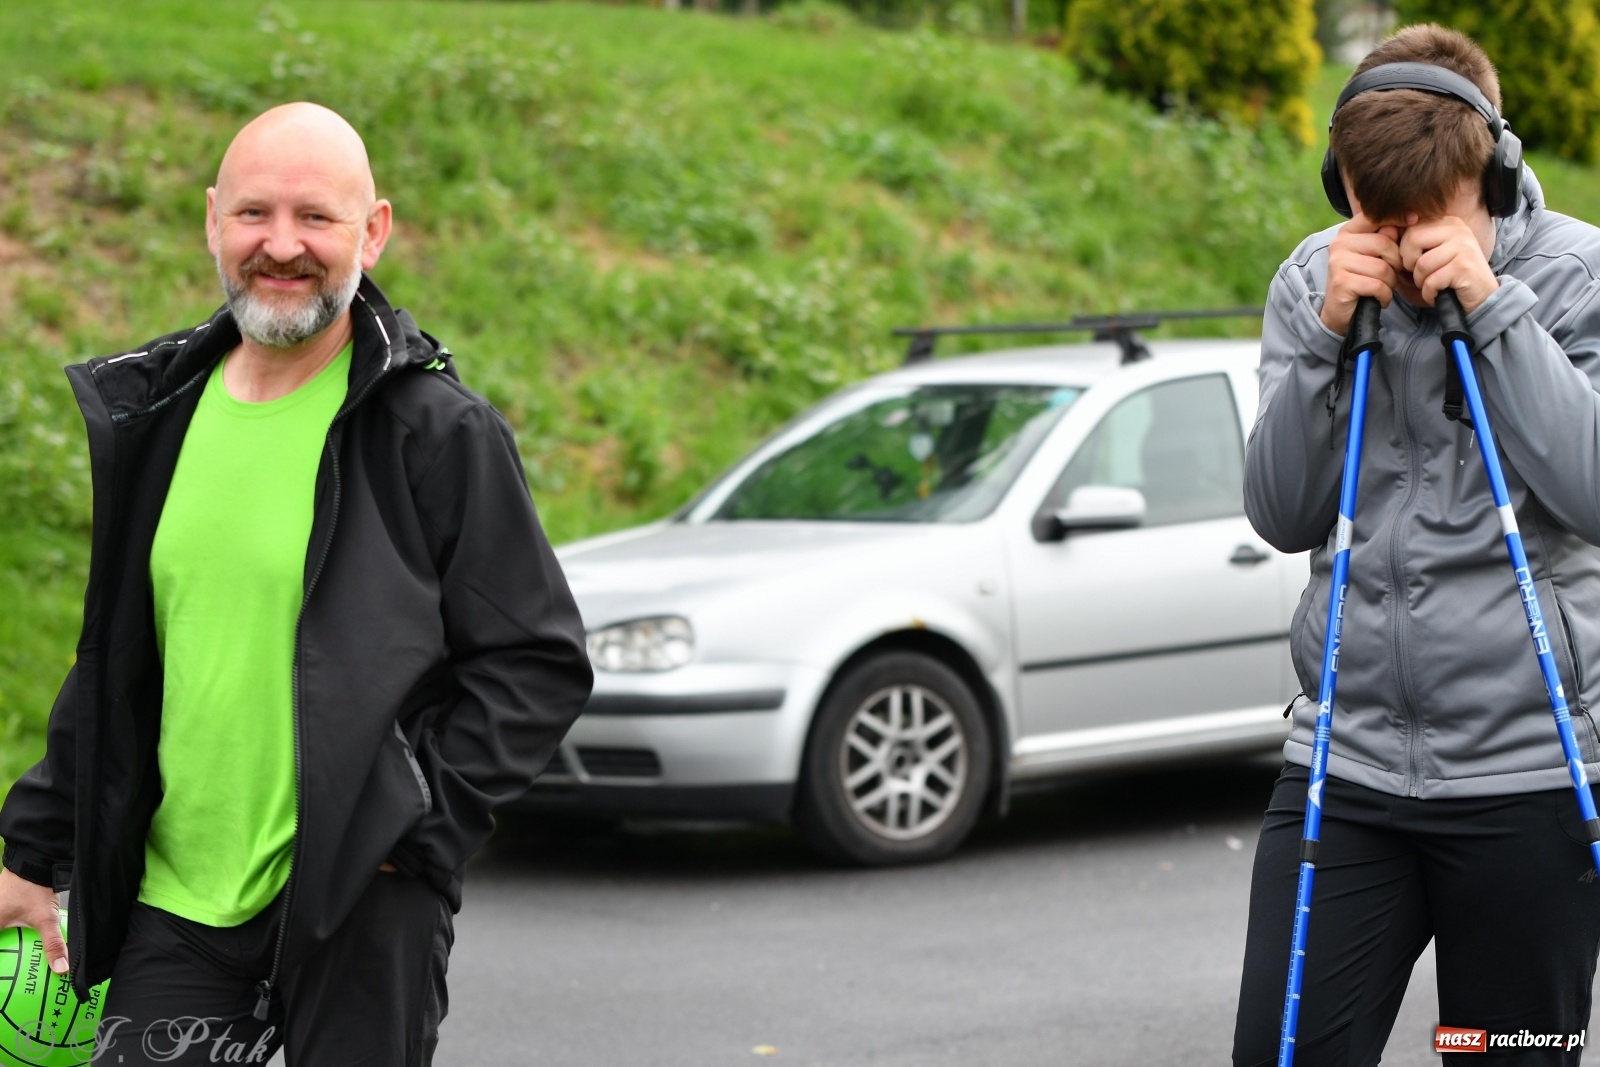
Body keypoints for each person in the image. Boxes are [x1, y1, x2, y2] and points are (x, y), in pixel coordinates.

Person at [0, 102, 594, 1064]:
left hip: (361, 903)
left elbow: (536, 662)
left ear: (374, 230)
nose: (282, 246)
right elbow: (122, 652)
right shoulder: (159, 414)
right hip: (178, 904)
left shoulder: (435, 433)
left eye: (316, 217)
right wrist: (34, 849)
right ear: (211, 222)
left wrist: (414, 830)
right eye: (253, 215)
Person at [1233, 25, 1600, 1067]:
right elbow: (1281, 511)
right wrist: (1320, 336)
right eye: (1367, 213)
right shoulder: (1312, 279)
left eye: (1421, 219)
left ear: (1493, 173)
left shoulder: (1580, 276)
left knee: (1499, 1057)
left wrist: (1492, 311)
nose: (1394, 245)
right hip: (1342, 769)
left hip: (1530, 775)